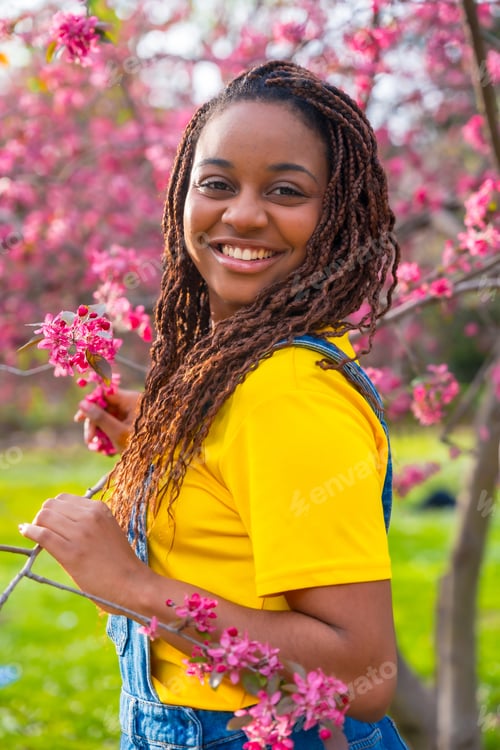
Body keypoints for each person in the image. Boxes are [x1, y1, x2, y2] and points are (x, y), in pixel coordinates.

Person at [20, 60, 408, 750]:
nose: (244, 214)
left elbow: (361, 676)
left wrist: (131, 585)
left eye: (286, 190)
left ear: (338, 215)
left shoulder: (289, 397)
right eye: (218, 184)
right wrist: (179, 433)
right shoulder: (250, 378)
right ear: (183, 198)